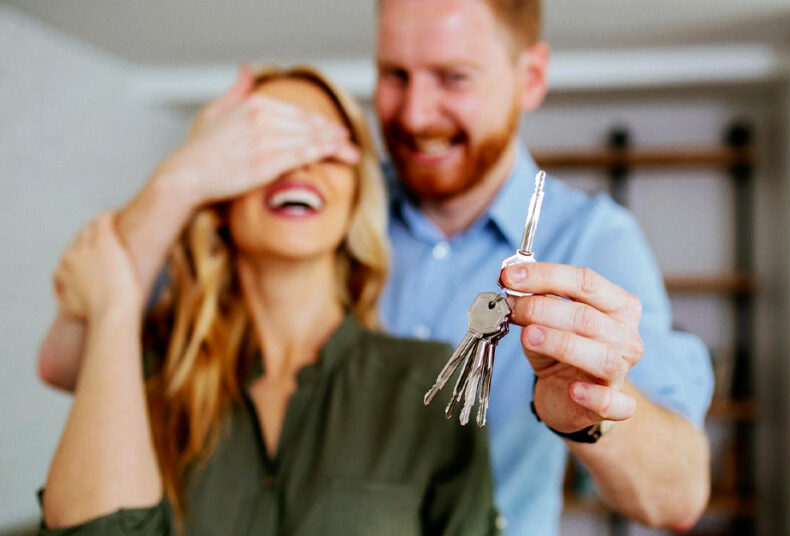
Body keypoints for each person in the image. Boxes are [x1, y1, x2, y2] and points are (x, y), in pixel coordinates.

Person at [39, 1, 714, 533]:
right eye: (394, 76)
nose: (416, 113)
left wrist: (589, 413)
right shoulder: (308, 222)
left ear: (529, 77)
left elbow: (677, 496)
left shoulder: (590, 242)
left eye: (452, 77)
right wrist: (184, 177)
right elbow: (76, 353)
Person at [37, 67, 499, 535]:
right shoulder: (158, 371)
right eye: (263, 147)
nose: (298, 166)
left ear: (357, 191)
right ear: (217, 199)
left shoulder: (433, 384)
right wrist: (180, 178)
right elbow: (60, 363)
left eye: (323, 146)